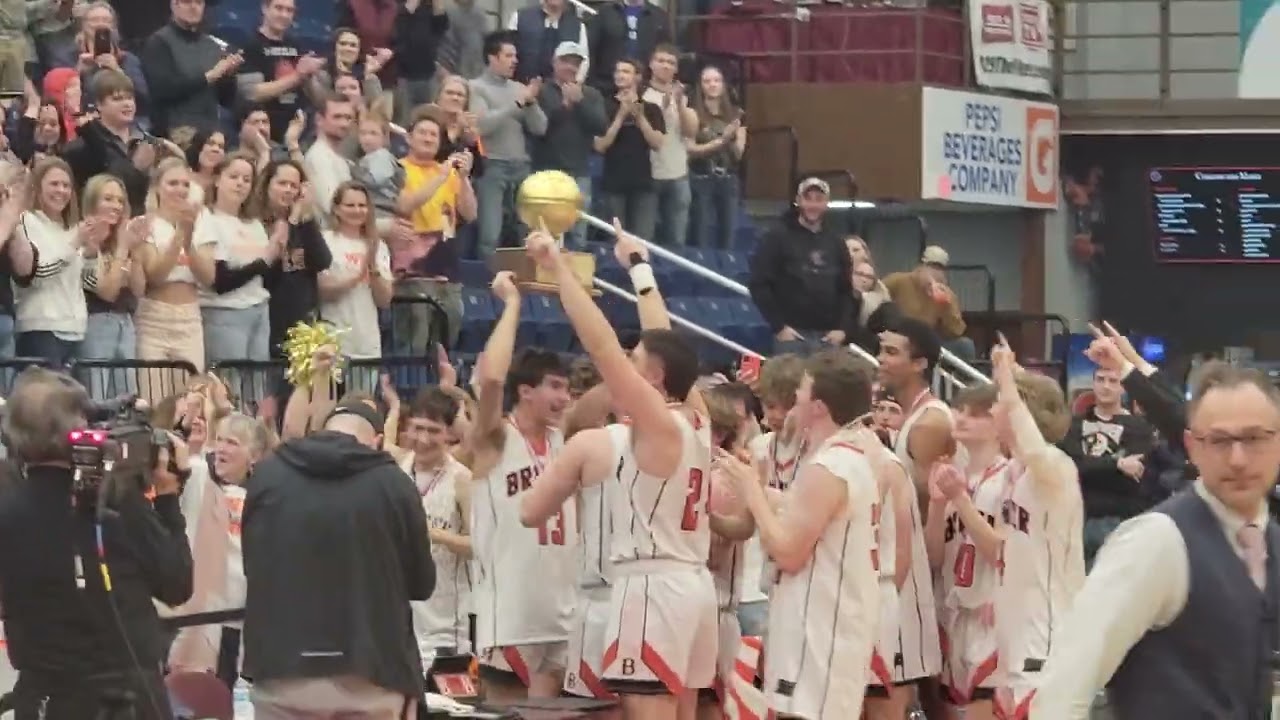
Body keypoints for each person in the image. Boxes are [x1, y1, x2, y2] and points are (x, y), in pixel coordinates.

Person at [523, 227, 718, 719]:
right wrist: (639, 266)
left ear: (652, 378)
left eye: (637, 364)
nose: (626, 367)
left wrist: (559, 268)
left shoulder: (657, 423)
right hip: (693, 585)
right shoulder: (697, 415)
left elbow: (602, 346)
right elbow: (663, 337)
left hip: (652, 584)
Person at [1032, 359, 1279, 719]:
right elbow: (1065, 686)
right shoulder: (1156, 541)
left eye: (1254, 438)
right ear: (1192, 446)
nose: (1238, 459)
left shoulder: (1271, 541)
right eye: (1220, 440)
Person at [0, 366, 194, 720]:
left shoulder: (8, 509)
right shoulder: (117, 503)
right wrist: (167, 498)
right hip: (124, 697)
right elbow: (177, 584)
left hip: (44, 698)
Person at [243, 396, 435, 717]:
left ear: (322, 430)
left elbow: (253, 566)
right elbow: (421, 584)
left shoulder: (267, 475)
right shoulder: (394, 483)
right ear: (377, 441)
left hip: (280, 667)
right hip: (372, 670)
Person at [717, 348, 882, 719]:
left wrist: (753, 494)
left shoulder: (829, 465)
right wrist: (775, 499)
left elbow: (789, 553)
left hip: (820, 629)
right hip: (833, 622)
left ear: (819, 406)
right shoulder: (851, 456)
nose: (797, 400)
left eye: (803, 391)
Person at [467, 270, 576, 700]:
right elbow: (493, 379)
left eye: (568, 388)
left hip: (563, 613)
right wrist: (512, 303)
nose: (565, 397)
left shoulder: (565, 438)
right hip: (510, 615)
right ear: (526, 391)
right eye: (555, 387)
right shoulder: (496, 438)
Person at [988, 336, 1084, 720]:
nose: (994, 407)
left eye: (999, 402)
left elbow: (1032, 446)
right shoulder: (1012, 470)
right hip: (1014, 633)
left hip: (1047, 634)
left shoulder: (1056, 468)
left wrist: (1009, 385)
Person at [921, 384, 1011, 720]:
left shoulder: (1009, 479)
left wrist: (960, 500)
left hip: (993, 616)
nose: (962, 418)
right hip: (955, 615)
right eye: (960, 410)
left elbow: (1002, 554)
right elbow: (934, 558)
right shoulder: (953, 476)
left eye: (975, 414)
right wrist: (936, 505)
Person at [875, 316, 946, 715]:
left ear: (919, 363)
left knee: (916, 691)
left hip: (923, 570)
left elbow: (929, 507)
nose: (880, 359)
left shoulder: (929, 423)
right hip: (908, 564)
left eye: (891, 352)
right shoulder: (909, 418)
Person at [748, 177, 858, 356]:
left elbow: (846, 291)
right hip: (792, 337)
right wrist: (779, 327)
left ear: (826, 203)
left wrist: (842, 329)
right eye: (808, 198)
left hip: (828, 338)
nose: (813, 205)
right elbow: (759, 284)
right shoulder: (776, 238)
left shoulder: (837, 243)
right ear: (798, 201)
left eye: (819, 199)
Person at [1062, 364, 1157, 566]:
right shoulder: (1074, 424)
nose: (1106, 386)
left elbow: (1132, 481)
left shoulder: (1139, 428)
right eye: (1100, 379)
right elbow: (1071, 466)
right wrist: (1117, 464)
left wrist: (1093, 468)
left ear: (1123, 387)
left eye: (1113, 381)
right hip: (1076, 516)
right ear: (1093, 384)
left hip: (1118, 519)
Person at [404, 388, 474, 663]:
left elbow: (478, 546)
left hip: (447, 628)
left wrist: (431, 534)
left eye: (433, 430)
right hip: (401, 625)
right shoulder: (395, 471)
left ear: (449, 433)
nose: (423, 439)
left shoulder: (461, 480)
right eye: (417, 428)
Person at [140, 0, 242, 135]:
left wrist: (228, 76)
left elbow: (226, 100)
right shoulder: (159, 42)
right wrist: (209, 76)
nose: (194, 7)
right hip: (173, 132)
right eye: (187, 2)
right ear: (174, 5)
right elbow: (162, 90)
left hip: (209, 130)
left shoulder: (212, 45)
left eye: (199, 2)